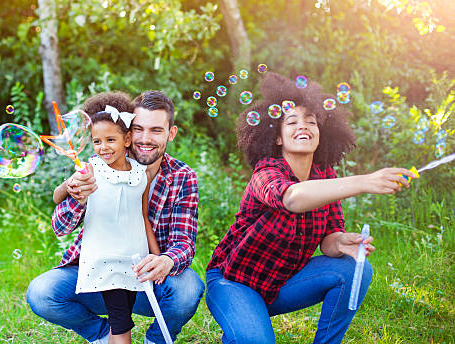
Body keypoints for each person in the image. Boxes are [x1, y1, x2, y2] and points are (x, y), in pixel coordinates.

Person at [205, 73, 416, 344]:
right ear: (278, 138)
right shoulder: (266, 172)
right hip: (234, 282)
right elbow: (292, 198)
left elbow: (328, 240)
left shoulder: (324, 176)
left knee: (356, 269)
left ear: (321, 135)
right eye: (291, 121)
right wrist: (364, 181)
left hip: (281, 283)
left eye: (311, 121)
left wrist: (341, 242)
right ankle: (243, 323)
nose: (302, 126)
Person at [27, 90, 203, 344]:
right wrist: (77, 196)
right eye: (139, 129)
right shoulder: (102, 164)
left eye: (156, 130)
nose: (145, 139)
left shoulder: (182, 177)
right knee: (42, 292)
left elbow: (184, 243)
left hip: (147, 280)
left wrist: (165, 260)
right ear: (129, 133)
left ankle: (155, 340)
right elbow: (60, 227)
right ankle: (101, 335)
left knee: (188, 289)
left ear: (170, 133)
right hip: (98, 272)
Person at [49, 91, 161, 344]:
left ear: (128, 139)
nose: (103, 147)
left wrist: (155, 254)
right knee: (120, 320)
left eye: (110, 139)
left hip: (135, 258)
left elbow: (143, 217)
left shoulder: (141, 173)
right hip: (105, 256)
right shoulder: (90, 169)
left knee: (121, 317)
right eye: (96, 141)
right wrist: (71, 183)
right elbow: (57, 197)